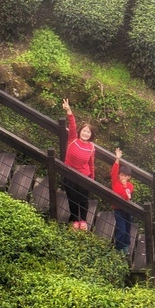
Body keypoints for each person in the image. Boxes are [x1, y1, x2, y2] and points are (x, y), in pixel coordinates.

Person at [61, 98, 95, 230]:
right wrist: (69, 111)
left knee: (83, 200)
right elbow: (73, 125)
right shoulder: (73, 140)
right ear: (80, 131)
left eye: (88, 132)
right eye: (84, 131)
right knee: (72, 199)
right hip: (69, 175)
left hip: (83, 177)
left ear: (91, 135)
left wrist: (92, 179)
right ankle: (75, 220)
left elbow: (91, 164)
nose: (85, 133)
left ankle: (83, 221)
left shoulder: (91, 147)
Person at [111, 147, 134, 253]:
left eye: (125, 176)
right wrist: (117, 159)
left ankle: (126, 246)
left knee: (128, 227)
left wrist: (125, 186)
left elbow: (127, 197)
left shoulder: (130, 186)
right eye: (121, 175)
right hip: (118, 209)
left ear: (129, 177)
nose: (123, 177)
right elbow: (114, 171)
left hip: (127, 209)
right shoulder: (115, 182)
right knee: (121, 229)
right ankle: (118, 247)